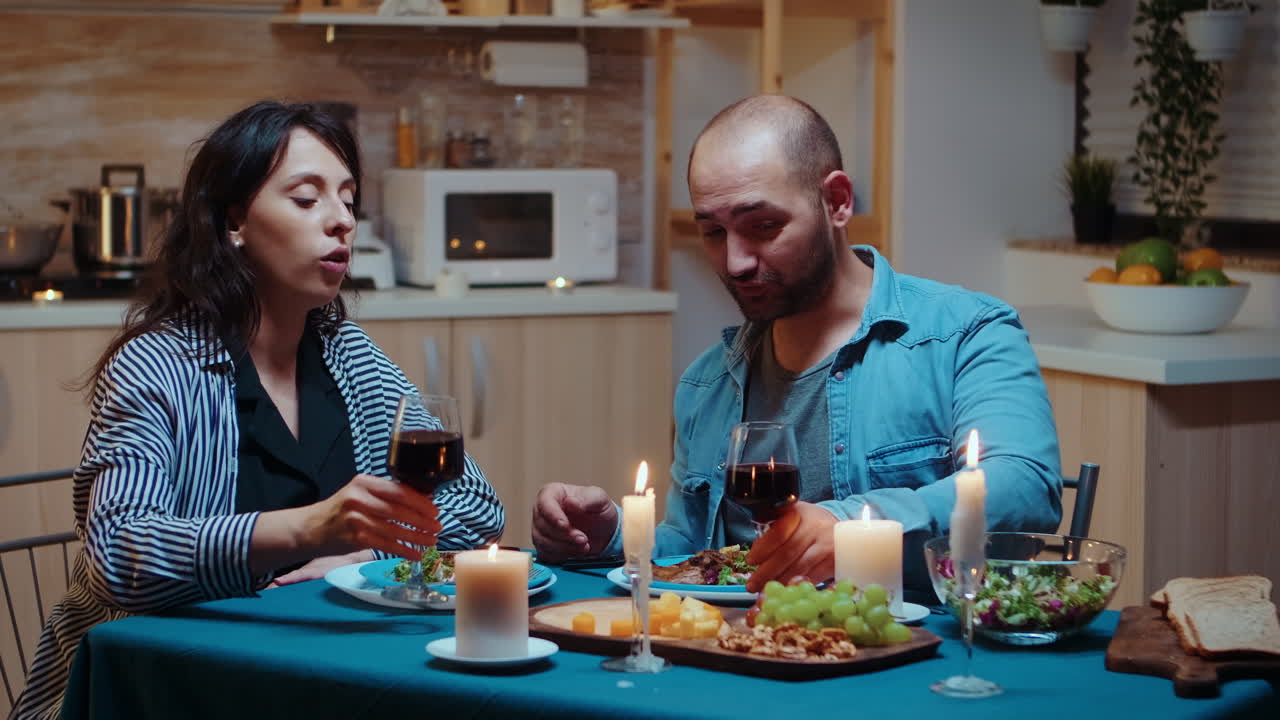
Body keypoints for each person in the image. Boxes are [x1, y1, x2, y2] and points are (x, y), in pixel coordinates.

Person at [13, 101, 504, 720]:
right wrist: (310, 527)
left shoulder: (347, 354)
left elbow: (477, 508)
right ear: (233, 222)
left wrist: (363, 553)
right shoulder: (160, 365)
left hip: (317, 674)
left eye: (349, 200)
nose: (341, 221)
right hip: (169, 686)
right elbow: (120, 553)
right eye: (307, 199)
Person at [532, 95, 1061, 596]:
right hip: (746, 666)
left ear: (835, 201)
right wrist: (610, 536)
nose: (735, 260)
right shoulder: (707, 382)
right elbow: (694, 556)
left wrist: (849, 525)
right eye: (713, 232)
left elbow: (1026, 487)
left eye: (762, 225)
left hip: (917, 658)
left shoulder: (964, 334)